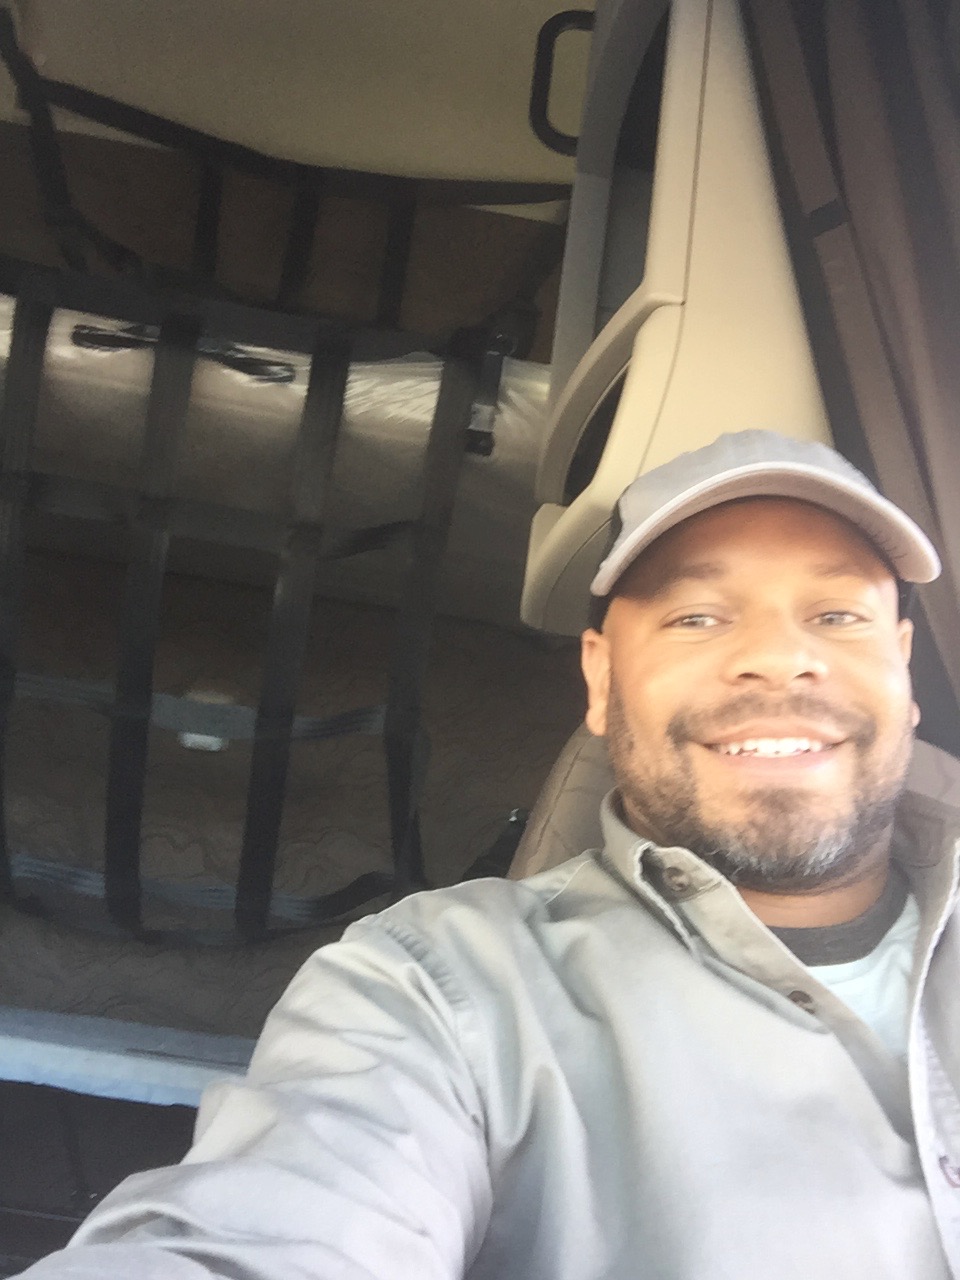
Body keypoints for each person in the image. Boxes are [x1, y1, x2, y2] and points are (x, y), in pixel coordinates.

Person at [18, 429, 960, 1278]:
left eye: (838, 616)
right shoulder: (439, 985)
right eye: (697, 617)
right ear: (600, 681)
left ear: (906, 668)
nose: (781, 658)